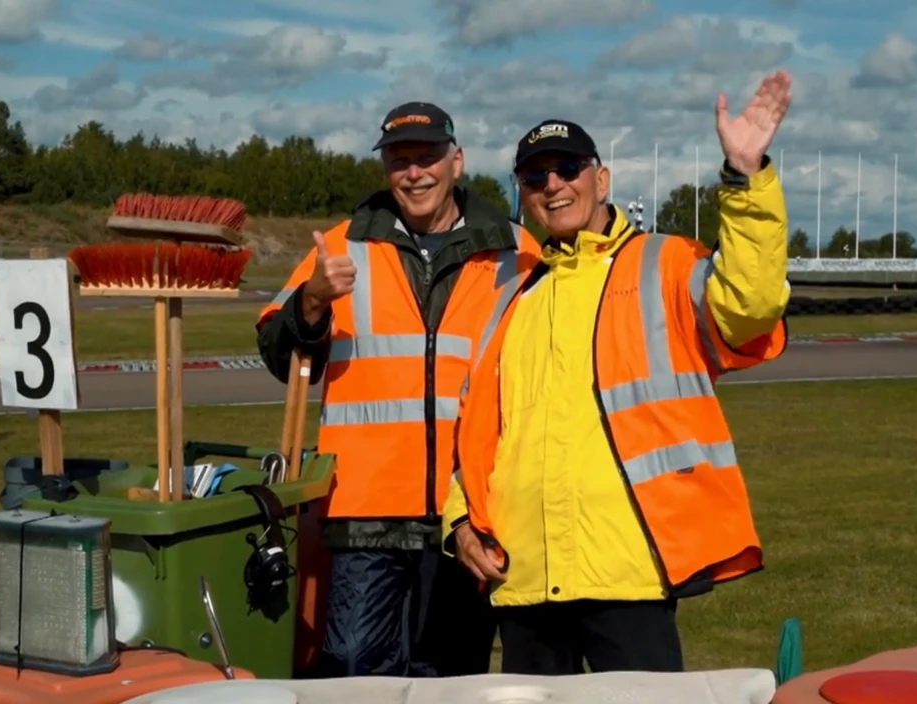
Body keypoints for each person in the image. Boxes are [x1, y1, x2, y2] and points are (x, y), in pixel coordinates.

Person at [441, 70, 794, 675]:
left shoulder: (666, 263)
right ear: (521, 194)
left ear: (600, 179)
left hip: (630, 572)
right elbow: (476, 432)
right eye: (535, 176)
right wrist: (459, 527)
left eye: (568, 169)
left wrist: (745, 178)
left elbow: (752, 303)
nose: (552, 185)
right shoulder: (507, 297)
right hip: (524, 578)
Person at [255, 100, 542, 678]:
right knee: (356, 671)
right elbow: (278, 353)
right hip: (366, 511)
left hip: (469, 509)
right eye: (399, 160)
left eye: (427, 157)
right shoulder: (343, 244)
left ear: (456, 161)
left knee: (454, 674)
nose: (414, 172)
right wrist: (312, 300)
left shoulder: (516, 252)